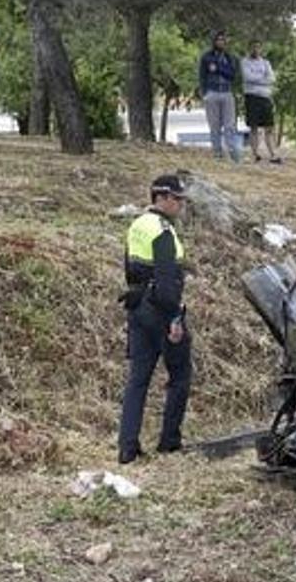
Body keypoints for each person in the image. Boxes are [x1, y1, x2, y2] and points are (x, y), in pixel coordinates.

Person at [119, 173, 194, 464]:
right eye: (177, 199)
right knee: (180, 376)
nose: (180, 205)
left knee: (138, 379)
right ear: (161, 198)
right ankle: (169, 442)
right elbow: (166, 282)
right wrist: (175, 318)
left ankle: (127, 447)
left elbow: (130, 268)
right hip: (160, 310)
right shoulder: (163, 231)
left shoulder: (137, 224)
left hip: (137, 306)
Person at [197, 31, 240, 162]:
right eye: (218, 40)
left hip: (227, 92)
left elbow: (232, 75)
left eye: (223, 40)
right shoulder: (206, 57)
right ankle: (217, 153)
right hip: (212, 92)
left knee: (230, 124)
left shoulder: (230, 57)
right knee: (214, 125)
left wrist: (218, 68)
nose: (221, 42)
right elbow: (202, 76)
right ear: (214, 42)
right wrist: (204, 92)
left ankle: (232, 151)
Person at [241, 40, 281, 163]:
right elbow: (248, 78)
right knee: (254, 127)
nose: (256, 50)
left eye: (258, 47)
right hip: (252, 97)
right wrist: (263, 78)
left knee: (269, 127)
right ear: (249, 48)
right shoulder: (245, 62)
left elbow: (272, 78)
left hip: (265, 98)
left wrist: (259, 79)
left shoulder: (265, 63)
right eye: (253, 47)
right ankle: (255, 154)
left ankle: (273, 154)